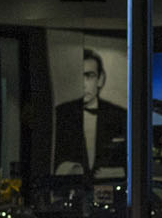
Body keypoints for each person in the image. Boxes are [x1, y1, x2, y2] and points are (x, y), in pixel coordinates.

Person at [52, 48, 129, 177]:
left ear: (100, 79)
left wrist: (119, 172)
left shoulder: (120, 115)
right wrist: (67, 169)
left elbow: (134, 158)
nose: (83, 84)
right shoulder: (60, 115)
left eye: (89, 76)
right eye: (79, 76)